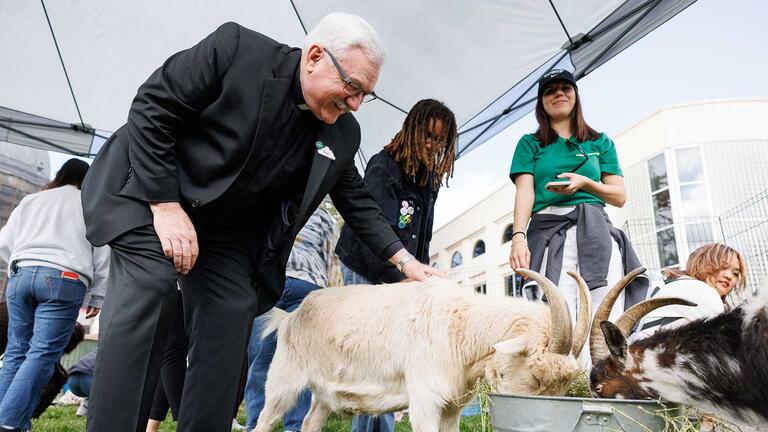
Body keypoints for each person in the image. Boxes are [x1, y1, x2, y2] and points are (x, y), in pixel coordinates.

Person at [80, 13, 442, 432]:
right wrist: (165, 206)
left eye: (366, 95)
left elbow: (355, 199)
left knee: (232, 309)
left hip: (223, 232)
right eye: (353, 87)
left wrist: (406, 263)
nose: (356, 103)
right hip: (149, 191)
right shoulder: (236, 51)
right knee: (152, 287)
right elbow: (152, 108)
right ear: (315, 57)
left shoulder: (342, 134)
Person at [507, 69, 647, 364]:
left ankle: (604, 383)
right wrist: (518, 237)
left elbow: (619, 196)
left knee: (604, 310)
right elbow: (525, 192)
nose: (559, 94)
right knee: (560, 314)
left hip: (596, 231)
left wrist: (585, 184)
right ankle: (566, 381)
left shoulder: (600, 142)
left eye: (565, 88)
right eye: (550, 90)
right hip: (549, 232)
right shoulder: (530, 144)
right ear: (541, 101)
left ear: (575, 95)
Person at [334, 98, 457, 432]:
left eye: (440, 140)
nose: (433, 145)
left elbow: (421, 240)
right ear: (412, 130)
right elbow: (371, 229)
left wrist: (423, 277)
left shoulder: (429, 180)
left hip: (403, 273)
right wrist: (398, 275)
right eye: (428, 136)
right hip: (366, 265)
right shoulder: (384, 166)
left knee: (391, 358)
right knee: (369, 356)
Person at [0, 159, 108, 432]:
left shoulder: (32, 200)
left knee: (15, 352)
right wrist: (98, 296)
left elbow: (4, 242)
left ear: (60, 174)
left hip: (20, 274)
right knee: (42, 354)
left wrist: (20, 267)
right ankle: (8, 422)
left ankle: (14, 421)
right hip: (64, 279)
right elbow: (102, 249)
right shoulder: (91, 203)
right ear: (88, 180)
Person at [245, 204, 338, 432]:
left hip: (269, 282)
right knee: (303, 361)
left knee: (261, 358)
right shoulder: (325, 217)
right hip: (308, 286)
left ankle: (255, 423)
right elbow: (331, 259)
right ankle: (294, 427)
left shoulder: (271, 204)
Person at [630, 243, 747, 342]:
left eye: (735, 273)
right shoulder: (704, 293)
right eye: (723, 267)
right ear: (704, 263)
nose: (729, 276)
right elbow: (727, 341)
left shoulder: (678, 283)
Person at [67, 348, 97, 417]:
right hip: (88, 381)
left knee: (93, 393)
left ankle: (82, 411)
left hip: (72, 381)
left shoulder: (101, 346)